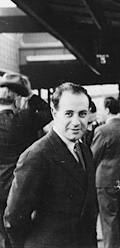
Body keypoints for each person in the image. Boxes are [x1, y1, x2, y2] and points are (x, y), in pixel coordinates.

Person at [3, 82, 97, 248]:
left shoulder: (84, 150)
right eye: (68, 114)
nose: (76, 122)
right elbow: (14, 217)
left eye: (82, 114)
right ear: (54, 113)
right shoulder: (37, 155)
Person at [0, 73, 52, 248]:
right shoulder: (24, 118)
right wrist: (30, 94)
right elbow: (48, 113)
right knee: (20, 233)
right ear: (16, 97)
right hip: (20, 184)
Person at [91, 97, 120, 248]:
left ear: (108, 110)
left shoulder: (102, 131)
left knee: (109, 221)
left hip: (105, 180)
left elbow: (93, 157)